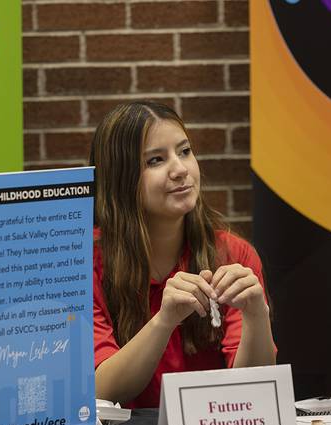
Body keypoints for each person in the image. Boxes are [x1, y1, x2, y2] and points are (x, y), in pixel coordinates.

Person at [90, 101, 277, 407]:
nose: (180, 169)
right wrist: (164, 321)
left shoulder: (233, 254)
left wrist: (257, 315)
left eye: (185, 151)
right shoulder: (85, 262)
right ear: (121, 178)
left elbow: (255, 392)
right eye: (155, 160)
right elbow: (100, 391)